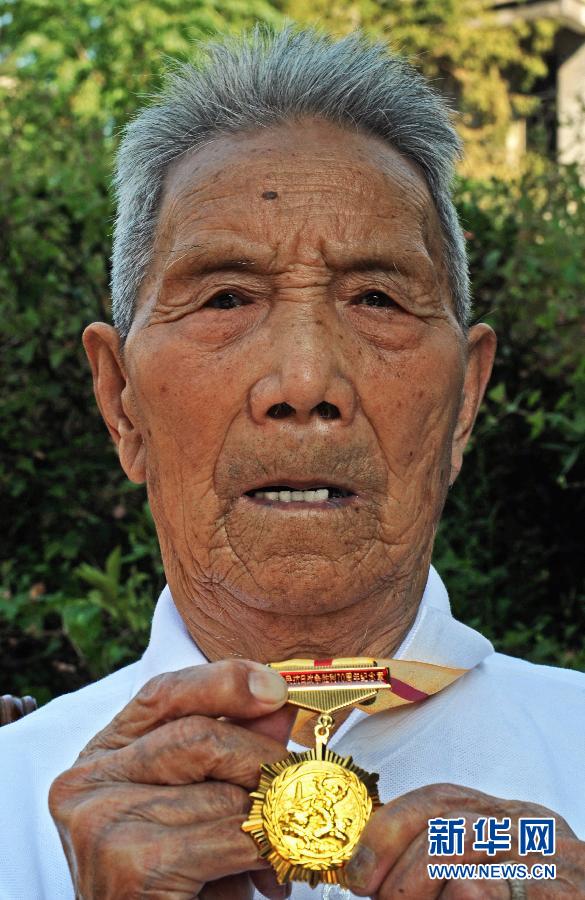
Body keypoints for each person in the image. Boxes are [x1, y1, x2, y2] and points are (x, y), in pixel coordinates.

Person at [0, 24, 583, 900]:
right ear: (121, 400)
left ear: (463, 400)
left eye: (376, 298)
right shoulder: (15, 799)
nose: (305, 382)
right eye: (225, 298)